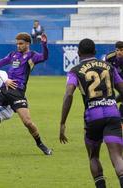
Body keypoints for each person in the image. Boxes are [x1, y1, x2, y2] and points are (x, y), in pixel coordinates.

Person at [59, 38, 123, 188]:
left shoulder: (75, 70)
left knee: (93, 156)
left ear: (78, 53)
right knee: (117, 157)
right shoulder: (109, 66)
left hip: (93, 117)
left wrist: (62, 123)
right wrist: (113, 99)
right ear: (94, 51)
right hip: (112, 114)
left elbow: (69, 94)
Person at [105, 41, 123, 121]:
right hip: (114, 81)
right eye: (117, 50)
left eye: (122, 50)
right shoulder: (109, 57)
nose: (119, 52)